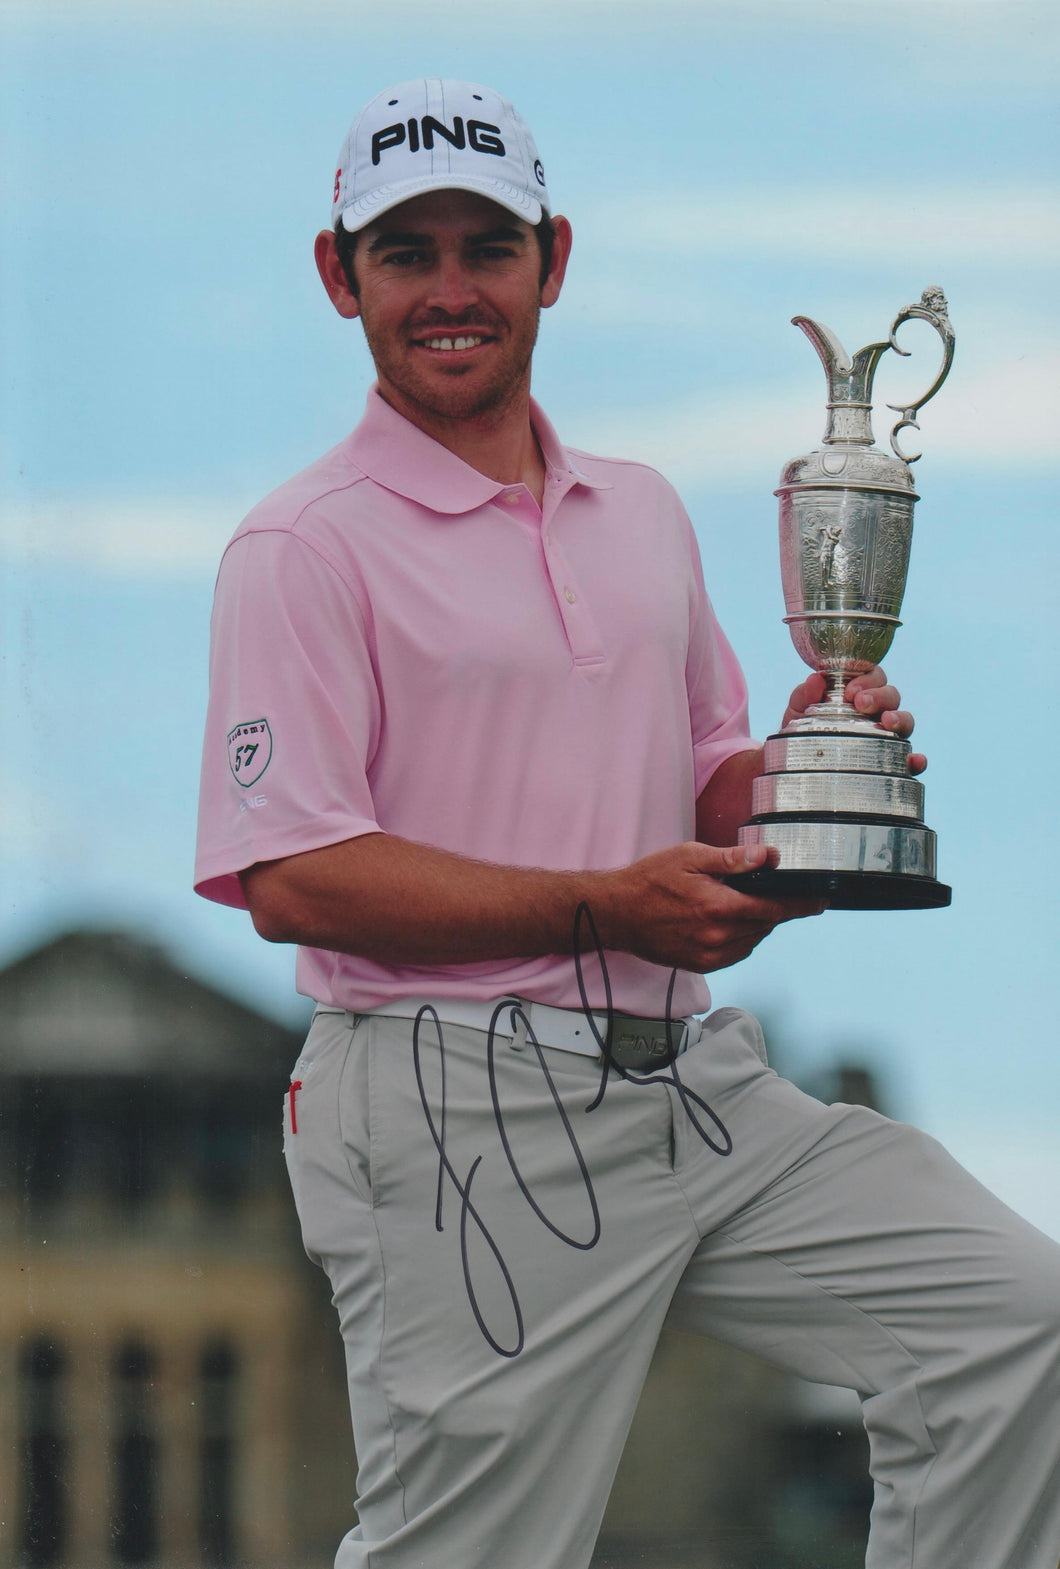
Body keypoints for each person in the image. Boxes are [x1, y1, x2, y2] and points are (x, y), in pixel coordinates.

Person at [194, 78, 1060, 1569]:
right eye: (408, 253)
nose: (452, 289)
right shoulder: (300, 545)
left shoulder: (641, 510)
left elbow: (705, 774)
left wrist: (811, 770)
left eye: (488, 246)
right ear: (340, 277)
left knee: (1008, 1321)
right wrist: (608, 904)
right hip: (454, 1105)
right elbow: (296, 874)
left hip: (695, 1086)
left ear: (555, 260)